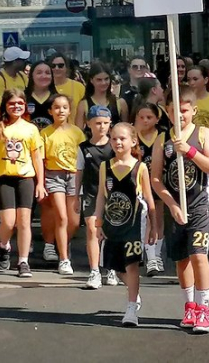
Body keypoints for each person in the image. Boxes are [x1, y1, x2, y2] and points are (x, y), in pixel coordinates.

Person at [151, 88, 209, 333]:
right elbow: (156, 179)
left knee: (199, 255)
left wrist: (189, 151)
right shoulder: (162, 139)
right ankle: (189, 305)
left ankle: (204, 309)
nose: (178, 116)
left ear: (193, 111)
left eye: (183, 111)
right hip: (175, 207)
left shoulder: (203, 134)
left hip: (199, 203)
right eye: (173, 111)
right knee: (181, 259)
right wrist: (171, 204)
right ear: (166, 112)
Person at [94, 123, 157, 327]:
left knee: (131, 265)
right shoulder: (105, 166)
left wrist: (153, 226)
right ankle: (133, 291)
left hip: (133, 224)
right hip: (112, 224)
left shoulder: (140, 168)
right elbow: (101, 196)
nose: (118, 142)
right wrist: (98, 221)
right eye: (114, 138)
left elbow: (148, 197)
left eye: (122, 138)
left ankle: (131, 308)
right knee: (113, 265)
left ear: (133, 141)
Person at [0, 89, 45, 278]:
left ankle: (23, 261)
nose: (16, 107)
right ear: (5, 106)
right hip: (5, 178)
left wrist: (40, 183)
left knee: (24, 221)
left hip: (25, 178)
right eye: (12, 104)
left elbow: (37, 157)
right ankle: (4, 245)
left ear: (25, 106)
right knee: (8, 222)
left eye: (20, 103)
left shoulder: (31, 129)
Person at [40, 94, 86, 274]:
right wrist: (41, 182)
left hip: (74, 175)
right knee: (61, 217)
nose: (61, 111)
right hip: (54, 176)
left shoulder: (76, 132)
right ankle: (64, 258)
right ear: (51, 111)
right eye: (57, 107)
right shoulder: (45, 133)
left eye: (64, 107)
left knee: (74, 221)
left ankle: (63, 244)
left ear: (69, 110)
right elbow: (41, 160)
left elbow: (82, 158)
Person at [76, 106, 116, 288]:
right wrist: (76, 195)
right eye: (98, 123)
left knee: (110, 232)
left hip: (114, 194)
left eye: (105, 123)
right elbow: (79, 172)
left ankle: (111, 268)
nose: (102, 127)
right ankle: (94, 271)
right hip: (91, 193)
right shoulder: (83, 148)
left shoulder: (115, 145)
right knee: (92, 230)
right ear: (89, 124)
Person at [134, 102, 165, 276]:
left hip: (157, 181)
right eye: (141, 117)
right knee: (141, 218)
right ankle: (141, 250)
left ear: (157, 119)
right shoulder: (132, 137)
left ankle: (156, 255)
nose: (145, 121)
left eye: (149, 117)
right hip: (138, 183)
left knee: (157, 218)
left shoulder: (161, 136)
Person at [76, 63, 127, 128]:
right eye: (99, 80)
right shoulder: (83, 104)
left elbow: (126, 130)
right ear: (91, 80)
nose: (103, 83)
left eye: (106, 79)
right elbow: (79, 133)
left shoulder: (120, 103)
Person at [50, 53, 85, 122]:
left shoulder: (79, 87)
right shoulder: (45, 86)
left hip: (74, 130)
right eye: (53, 66)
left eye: (60, 66)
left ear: (66, 68)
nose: (56, 68)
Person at [25, 61, 57, 130]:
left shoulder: (58, 99)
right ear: (31, 75)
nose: (44, 76)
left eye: (47, 73)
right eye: (39, 73)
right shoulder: (22, 98)